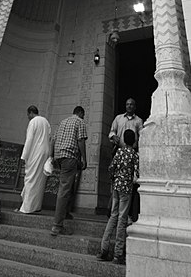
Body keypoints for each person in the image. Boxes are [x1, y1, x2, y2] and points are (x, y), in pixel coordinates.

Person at [97, 129, 139, 265]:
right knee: (122, 219)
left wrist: (114, 179)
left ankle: (104, 249)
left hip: (116, 187)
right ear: (134, 140)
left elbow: (111, 168)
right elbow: (137, 174)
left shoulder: (119, 152)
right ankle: (118, 253)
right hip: (126, 190)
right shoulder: (134, 155)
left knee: (113, 216)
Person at [50, 106, 87, 236]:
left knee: (67, 186)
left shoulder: (63, 121)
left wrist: (51, 156)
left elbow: (53, 140)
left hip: (59, 156)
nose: (83, 117)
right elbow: (81, 140)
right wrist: (84, 158)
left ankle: (65, 213)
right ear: (80, 113)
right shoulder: (79, 122)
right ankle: (57, 226)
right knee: (64, 189)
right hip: (70, 156)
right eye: (83, 115)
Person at [19, 105, 51, 214]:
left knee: (30, 179)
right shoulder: (46, 121)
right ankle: (36, 206)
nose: (28, 117)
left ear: (31, 113)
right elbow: (50, 137)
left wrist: (24, 156)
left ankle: (27, 207)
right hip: (45, 152)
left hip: (36, 152)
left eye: (28, 115)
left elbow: (29, 139)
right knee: (40, 181)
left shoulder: (33, 121)